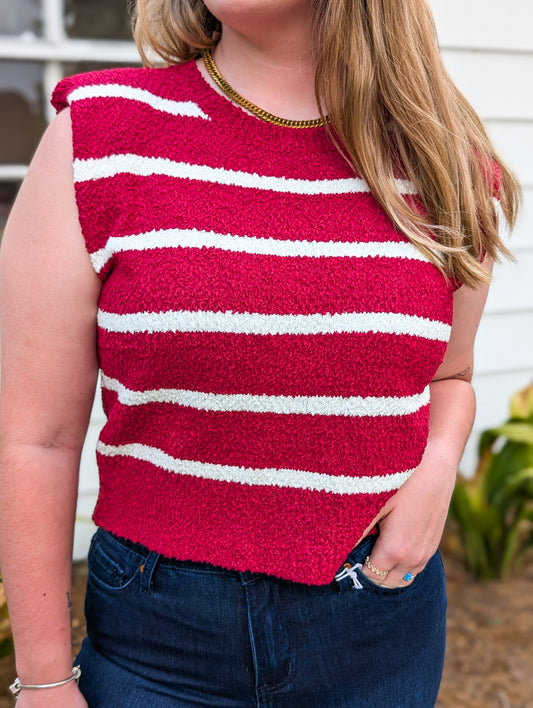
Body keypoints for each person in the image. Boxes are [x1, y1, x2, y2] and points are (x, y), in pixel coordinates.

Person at [0, 1, 520, 706]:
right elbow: (36, 435)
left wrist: (435, 469)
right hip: (158, 640)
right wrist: (44, 679)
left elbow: (449, 374)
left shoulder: (444, 161)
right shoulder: (101, 135)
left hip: (376, 620)